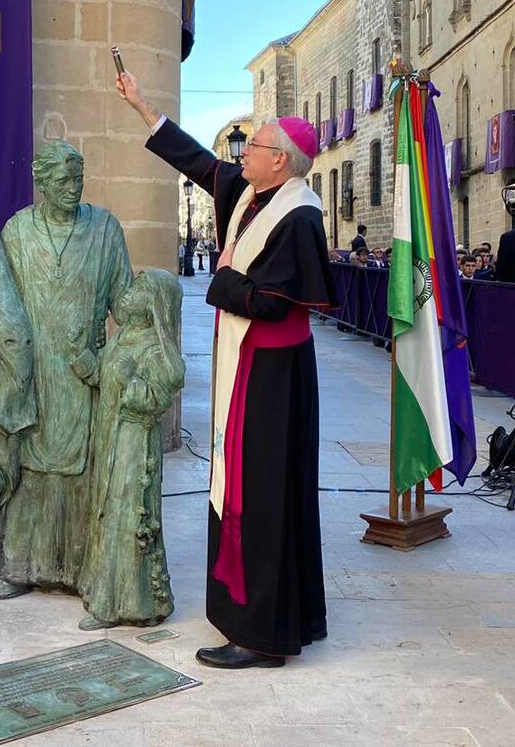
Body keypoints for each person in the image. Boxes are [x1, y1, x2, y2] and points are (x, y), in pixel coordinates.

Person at [117, 70, 336, 670]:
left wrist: (218, 284)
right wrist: (144, 107)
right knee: (252, 488)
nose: (245, 154)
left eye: (259, 146)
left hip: (272, 375)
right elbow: (197, 163)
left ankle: (261, 635)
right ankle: (276, 614)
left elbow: (272, 301)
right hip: (250, 368)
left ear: (282, 163)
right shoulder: (254, 194)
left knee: (260, 494)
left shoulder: (299, 219)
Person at [0, 140, 132, 600]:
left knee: (81, 472)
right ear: (40, 184)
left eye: (78, 179)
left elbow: (127, 307)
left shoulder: (104, 231)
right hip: (31, 374)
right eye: (61, 181)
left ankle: (81, 567)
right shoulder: (18, 232)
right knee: (28, 467)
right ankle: (18, 563)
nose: (72, 189)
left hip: (82, 374)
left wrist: (113, 359)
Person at [78, 269, 184, 631]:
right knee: (108, 514)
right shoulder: (122, 337)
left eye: (138, 287)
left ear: (153, 303)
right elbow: (107, 379)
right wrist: (91, 366)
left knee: (129, 518)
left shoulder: (157, 351)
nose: (128, 292)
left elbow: (156, 400)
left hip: (136, 446)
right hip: (111, 439)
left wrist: (130, 380)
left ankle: (135, 603)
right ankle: (105, 595)